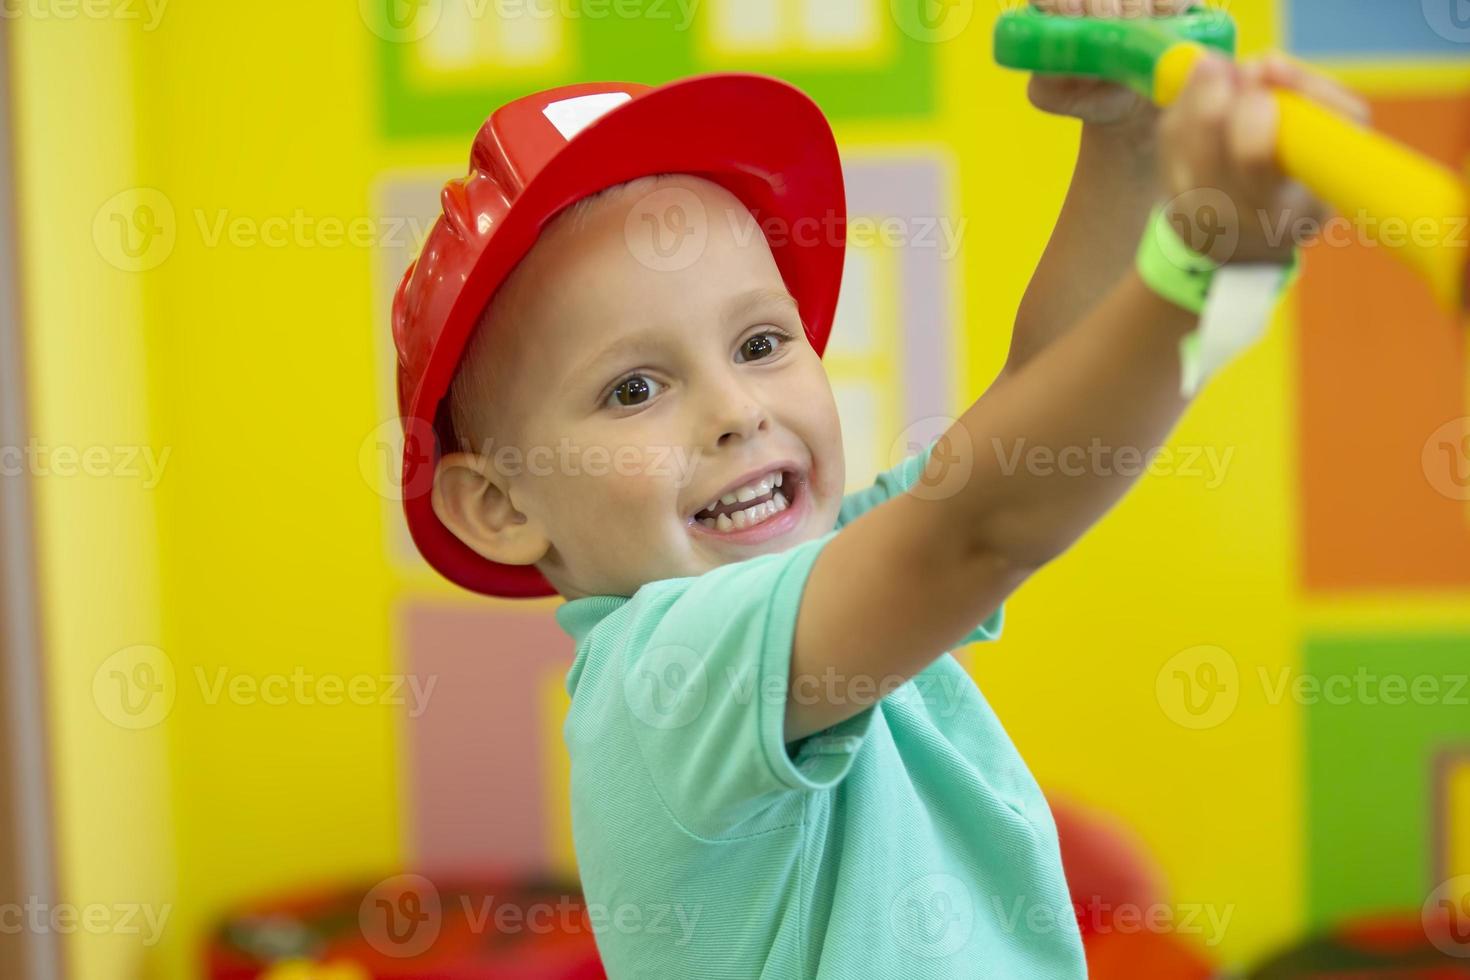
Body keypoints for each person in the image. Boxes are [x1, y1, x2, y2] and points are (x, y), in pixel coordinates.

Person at [388, 2, 1367, 974]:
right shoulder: (664, 679)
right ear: (501, 506)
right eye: (633, 388)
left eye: (762, 342)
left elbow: (1039, 406)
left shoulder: (825, 573)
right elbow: (978, 529)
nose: (736, 409)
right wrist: (1202, 269)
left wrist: (1124, 142)